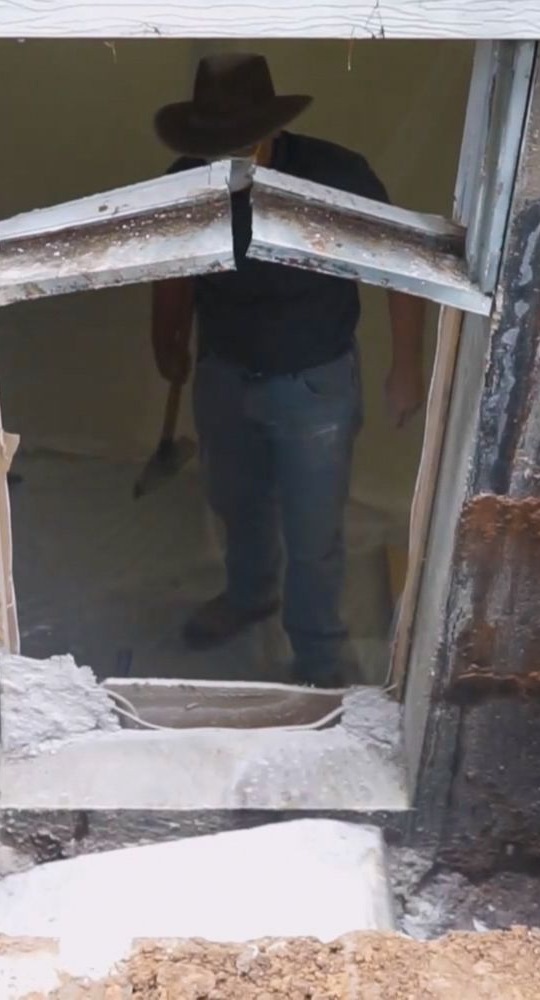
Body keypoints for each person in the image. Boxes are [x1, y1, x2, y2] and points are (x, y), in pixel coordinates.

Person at [151, 53, 425, 687]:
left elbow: (400, 262)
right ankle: (250, 597)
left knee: (313, 528)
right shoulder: (188, 178)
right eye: (214, 147)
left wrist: (406, 365)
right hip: (224, 371)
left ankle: (320, 654)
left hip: (314, 381)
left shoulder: (337, 175)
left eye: (239, 145)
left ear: (270, 131)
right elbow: (170, 264)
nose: (228, 160)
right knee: (235, 501)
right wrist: (164, 339)